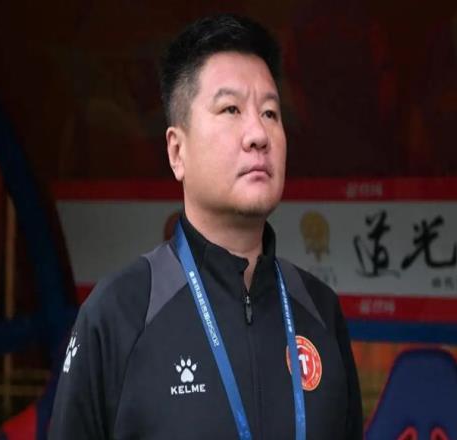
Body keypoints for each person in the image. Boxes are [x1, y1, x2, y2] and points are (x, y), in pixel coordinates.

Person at [49, 14, 362, 439]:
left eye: (270, 112)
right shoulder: (120, 312)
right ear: (177, 151)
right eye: (231, 109)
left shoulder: (319, 310)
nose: (258, 134)